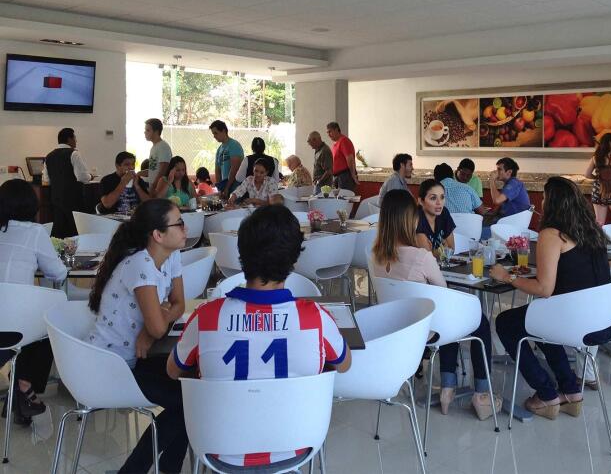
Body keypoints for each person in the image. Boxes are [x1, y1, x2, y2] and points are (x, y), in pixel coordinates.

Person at [168, 205, 351, 469]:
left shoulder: (206, 317)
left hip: (219, 449)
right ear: (294, 261)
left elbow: (173, 370)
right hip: (296, 445)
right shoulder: (316, 318)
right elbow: (344, 364)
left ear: (241, 255)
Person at [491, 176, 611, 420]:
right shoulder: (593, 231)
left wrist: (507, 277)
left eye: (545, 197)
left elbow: (544, 288)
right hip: (605, 321)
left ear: (553, 202)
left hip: (577, 322)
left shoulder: (552, 234)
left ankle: (546, 394)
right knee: (541, 317)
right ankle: (570, 391)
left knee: (506, 322)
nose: (542, 202)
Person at [371, 189, 500, 419]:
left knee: (449, 316)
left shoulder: (375, 256)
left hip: (397, 326)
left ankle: (448, 389)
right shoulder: (421, 257)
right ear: (408, 220)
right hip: (426, 328)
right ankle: (481, 395)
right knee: (475, 321)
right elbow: (443, 292)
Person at [86, 199, 188, 473]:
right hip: (110, 365)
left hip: (135, 358)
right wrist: (154, 325)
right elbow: (159, 327)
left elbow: (179, 304)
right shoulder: (140, 263)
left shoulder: (171, 256)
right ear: (158, 235)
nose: (186, 228)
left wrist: (154, 324)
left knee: (191, 388)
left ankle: (166, 468)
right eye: (179, 223)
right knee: (187, 403)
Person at [0, 179, 67, 425]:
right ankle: (24, 385)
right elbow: (58, 273)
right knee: (49, 326)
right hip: (13, 330)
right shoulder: (35, 232)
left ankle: (20, 388)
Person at [43, 128, 92, 237]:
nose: (76, 141)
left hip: (56, 200)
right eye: (75, 138)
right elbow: (82, 177)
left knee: (59, 232)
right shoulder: (74, 154)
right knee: (75, 231)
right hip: (74, 200)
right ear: (69, 139)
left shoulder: (48, 156)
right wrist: (90, 176)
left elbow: (46, 179)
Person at [585, 132, 611, 225]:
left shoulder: (595, 157)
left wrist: (597, 178)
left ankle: (598, 235)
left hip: (597, 191)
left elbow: (587, 175)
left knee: (599, 223)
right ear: (609, 143)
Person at [416, 179, 455, 254]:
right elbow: (427, 255)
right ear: (421, 201)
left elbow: (451, 248)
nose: (439, 202)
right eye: (433, 198)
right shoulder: (417, 218)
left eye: (442, 197)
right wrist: (443, 248)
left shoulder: (444, 213)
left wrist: (437, 251)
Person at [210, 120, 244, 196]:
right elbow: (217, 170)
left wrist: (227, 187)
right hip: (225, 185)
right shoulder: (219, 149)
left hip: (235, 185)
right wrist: (220, 188)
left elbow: (235, 169)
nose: (214, 136)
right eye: (213, 134)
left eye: (216, 133)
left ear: (223, 131)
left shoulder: (234, 145)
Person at [142, 118, 172, 197]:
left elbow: (163, 170)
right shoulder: (154, 147)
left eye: (148, 130)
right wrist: (139, 173)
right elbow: (154, 168)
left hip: (159, 189)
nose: (145, 132)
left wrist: (153, 187)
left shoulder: (163, 147)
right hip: (154, 187)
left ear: (156, 132)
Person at [327, 122, 358, 191]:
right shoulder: (336, 143)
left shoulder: (343, 141)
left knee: (344, 196)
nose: (328, 135)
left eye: (330, 132)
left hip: (345, 176)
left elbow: (350, 159)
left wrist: (353, 174)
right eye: (327, 133)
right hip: (338, 177)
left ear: (336, 130)